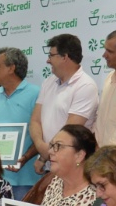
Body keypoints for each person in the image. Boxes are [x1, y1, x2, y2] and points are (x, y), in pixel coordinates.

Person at [29, 34, 99, 175]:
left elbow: (70, 130)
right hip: (51, 163)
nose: (48, 60)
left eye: (51, 55)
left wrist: (45, 153)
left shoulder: (85, 85)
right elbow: (35, 121)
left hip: (74, 169)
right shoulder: (48, 82)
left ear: (64, 57)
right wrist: (41, 148)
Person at [0, 47, 41, 201]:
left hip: (25, 180)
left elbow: (42, 135)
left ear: (11, 68)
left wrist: (24, 158)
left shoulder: (36, 94)